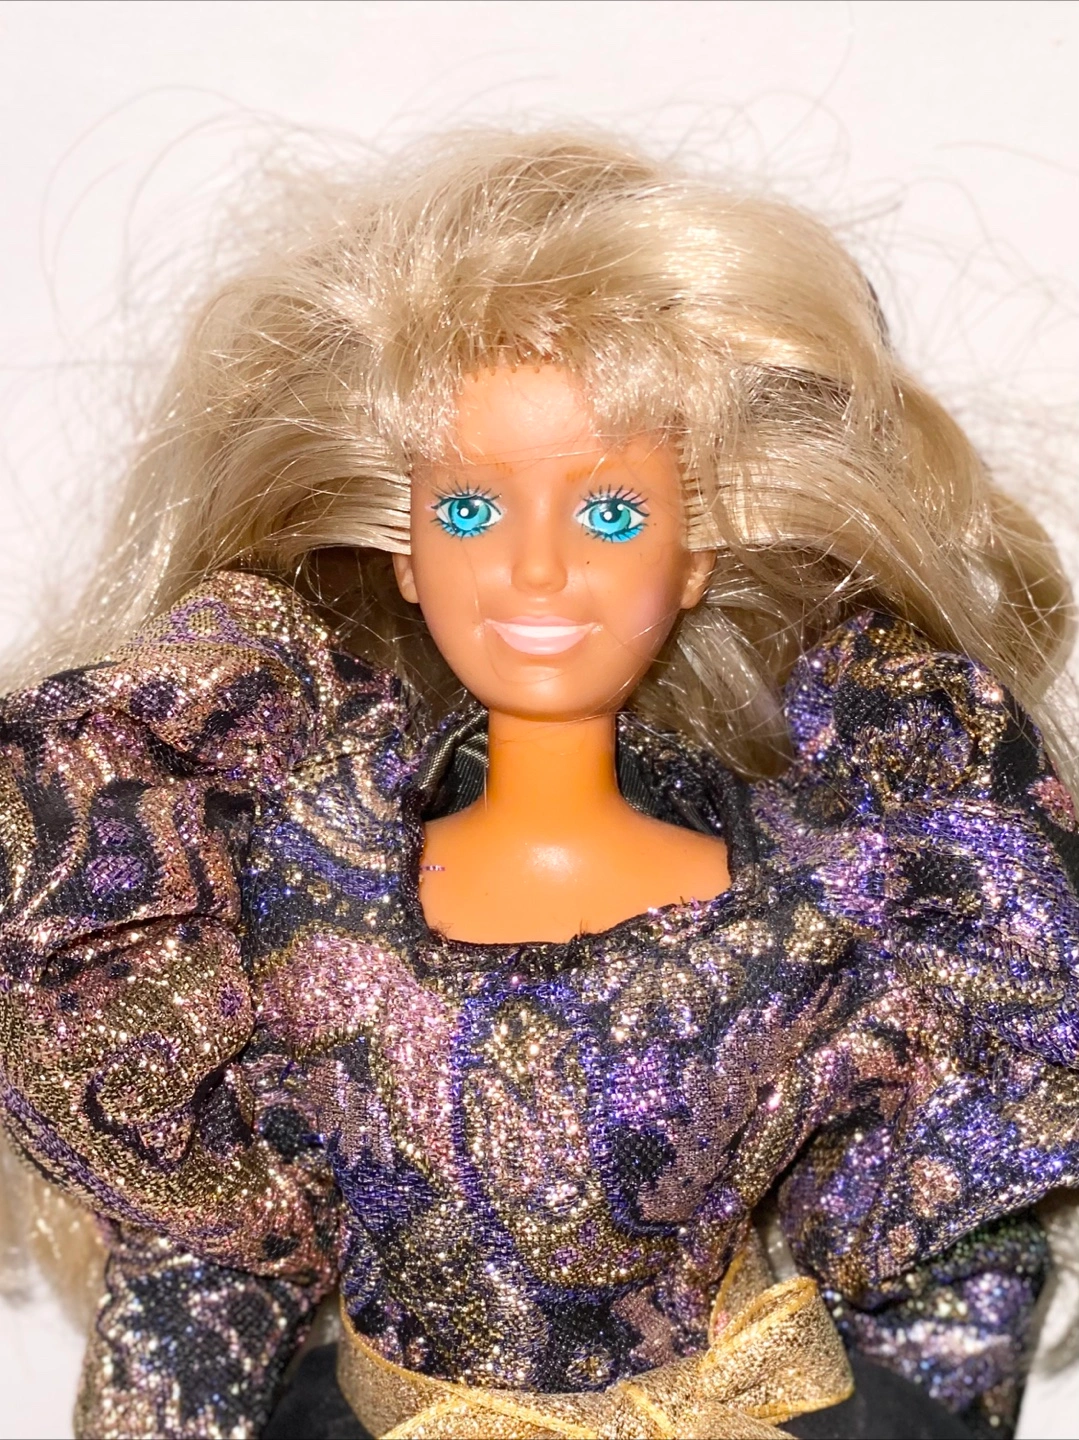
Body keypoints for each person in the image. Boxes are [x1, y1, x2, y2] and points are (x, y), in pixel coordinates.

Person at [1, 130, 1077, 1440]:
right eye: (469, 512)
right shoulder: (278, 883)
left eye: (611, 514)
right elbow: (199, 1282)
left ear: (695, 557)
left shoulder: (815, 903)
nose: (536, 572)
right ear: (403, 550)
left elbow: (937, 1260)